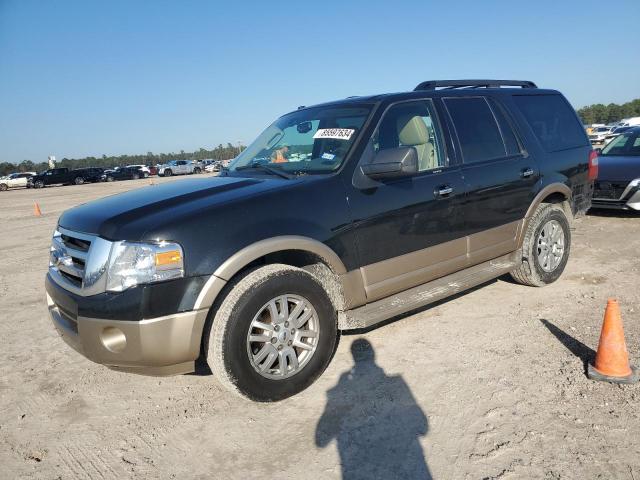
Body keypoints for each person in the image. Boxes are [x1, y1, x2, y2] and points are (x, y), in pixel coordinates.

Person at [315, 339, 431, 480]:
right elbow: (422, 427)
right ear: (373, 355)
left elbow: (320, 441)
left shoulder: (341, 390)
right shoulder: (396, 383)